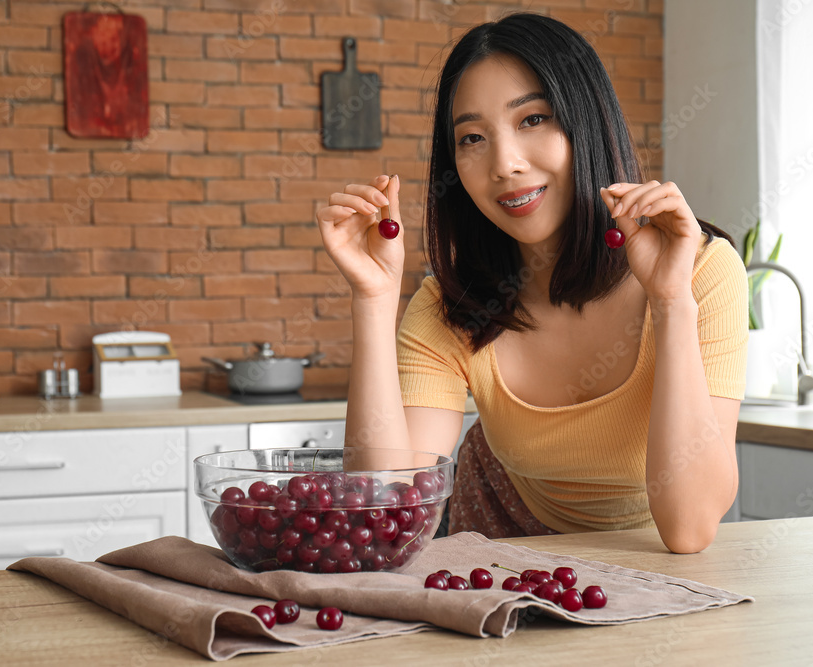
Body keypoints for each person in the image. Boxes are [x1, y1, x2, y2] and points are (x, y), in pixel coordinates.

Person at [315, 13, 748, 554]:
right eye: (472, 137)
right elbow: (384, 515)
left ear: (585, 120)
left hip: (651, 554)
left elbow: (688, 530)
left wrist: (670, 301)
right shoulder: (453, 304)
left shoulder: (702, 273)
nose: (505, 164)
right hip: (500, 540)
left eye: (533, 119)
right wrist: (373, 301)